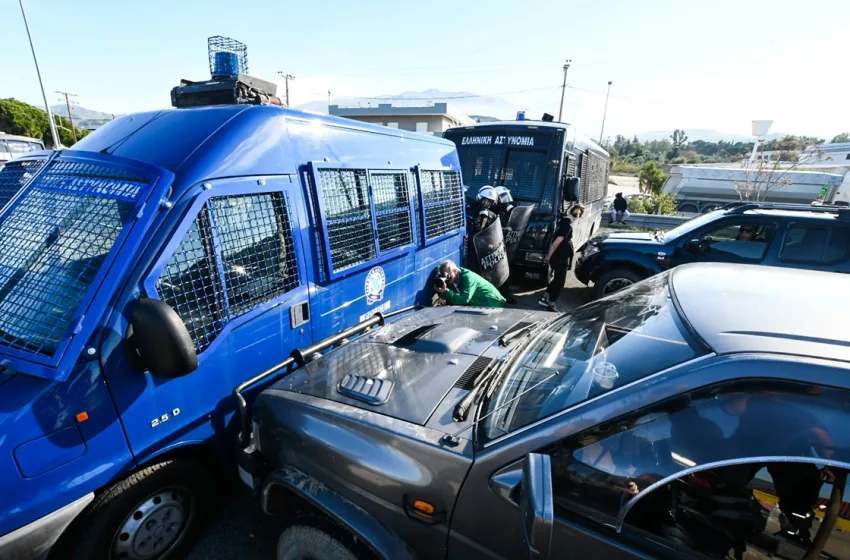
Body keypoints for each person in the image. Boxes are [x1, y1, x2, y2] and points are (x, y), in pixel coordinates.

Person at [538, 204, 584, 312]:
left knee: (556, 279)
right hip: (560, 258)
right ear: (577, 212)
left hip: (559, 256)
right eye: (580, 212)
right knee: (559, 282)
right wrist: (548, 256)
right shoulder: (566, 225)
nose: (579, 215)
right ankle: (551, 304)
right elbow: (556, 243)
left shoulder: (563, 221)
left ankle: (544, 297)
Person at [434, 260, 506, 308]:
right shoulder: (455, 278)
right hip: (480, 304)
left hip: (493, 303)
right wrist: (441, 291)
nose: (448, 279)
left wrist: (446, 291)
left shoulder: (468, 278)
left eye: (449, 276)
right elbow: (451, 297)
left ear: (455, 271)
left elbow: (464, 299)